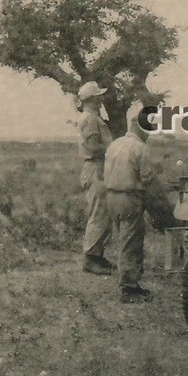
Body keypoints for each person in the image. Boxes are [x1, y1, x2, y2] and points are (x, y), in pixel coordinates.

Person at [103, 113, 164, 302]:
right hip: (129, 197)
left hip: (111, 196)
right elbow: (148, 178)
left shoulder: (114, 144)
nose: (149, 134)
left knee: (124, 240)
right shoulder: (140, 148)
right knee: (131, 243)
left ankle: (131, 284)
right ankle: (129, 289)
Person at [77, 81, 114, 275]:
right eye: (98, 96)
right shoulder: (90, 118)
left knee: (104, 212)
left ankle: (97, 255)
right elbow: (93, 147)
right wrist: (114, 149)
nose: (101, 99)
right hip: (95, 167)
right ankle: (91, 259)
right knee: (99, 213)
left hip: (99, 167)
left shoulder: (93, 117)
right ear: (91, 99)